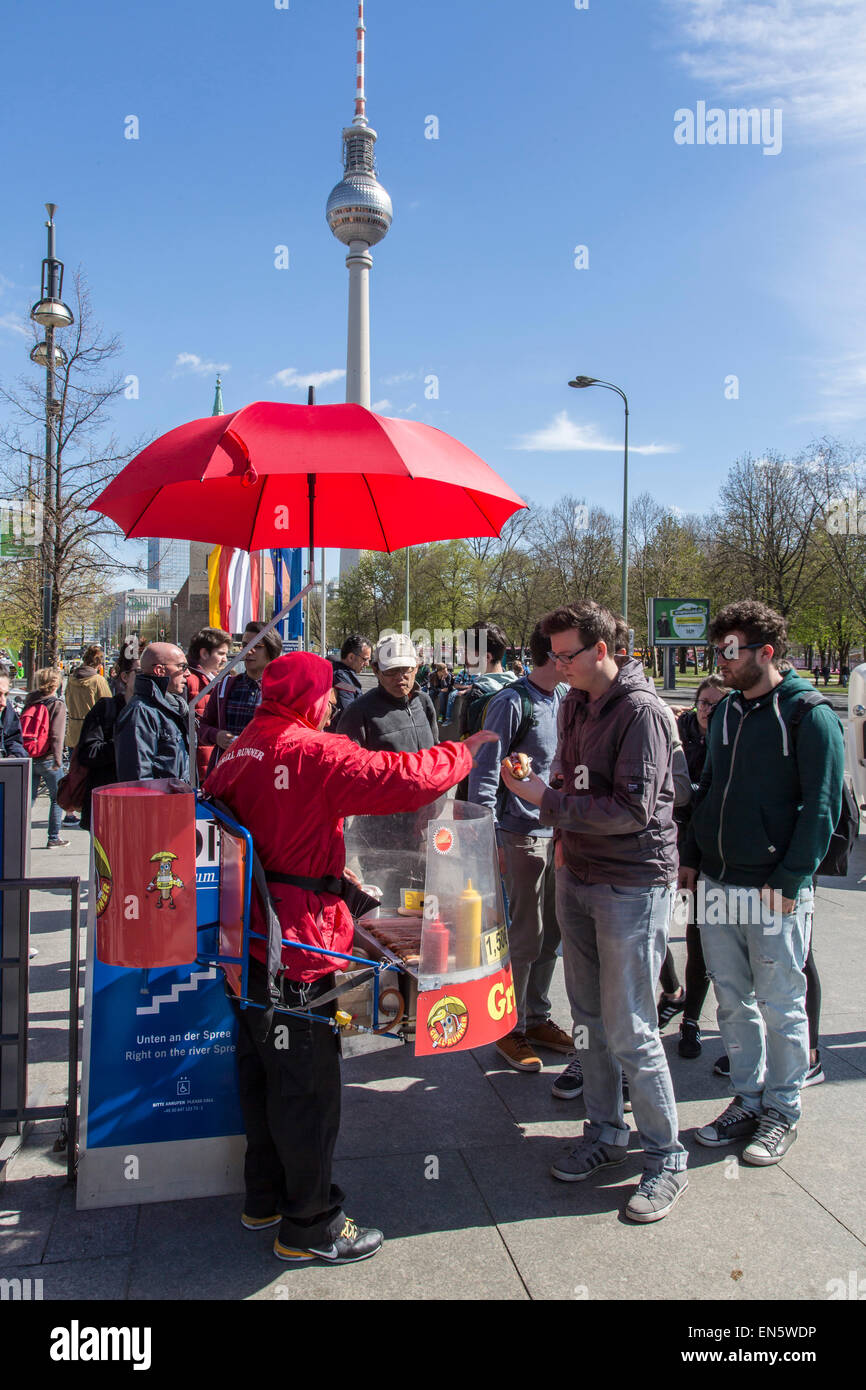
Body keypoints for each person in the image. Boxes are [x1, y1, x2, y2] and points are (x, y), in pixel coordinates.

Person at [204, 651, 496, 1264]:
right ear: (309, 697)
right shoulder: (312, 751)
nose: (335, 702)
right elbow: (404, 778)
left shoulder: (243, 746)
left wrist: (349, 893)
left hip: (248, 939)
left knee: (261, 1072)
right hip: (300, 947)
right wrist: (466, 749)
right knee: (308, 1091)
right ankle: (309, 1224)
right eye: (328, 693)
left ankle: (264, 1197)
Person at [501, 600, 687, 1223]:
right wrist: (543, 783)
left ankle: (665, 1157)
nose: (556, 665)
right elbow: (571, 780)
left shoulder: (642, 713)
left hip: (630, 885)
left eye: (567, 654)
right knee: (588, 1018)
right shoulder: (574, 701)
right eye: (552, 655)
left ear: (601, 649)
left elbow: (630, 811)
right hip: (576, 873)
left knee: (631, 1024)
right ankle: (605, 1133)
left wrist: (544, 801)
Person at [680, 601, 844, 1165]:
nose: (719, 661)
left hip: (774, 889)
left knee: (782, 1005)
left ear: (766, 652)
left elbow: (821, 809)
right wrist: (694, 858)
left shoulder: (810, 714)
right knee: (732, 1003)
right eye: (716, 650)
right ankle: (746, 1100)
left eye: (729, 651)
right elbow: (710, 788)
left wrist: (791, 879)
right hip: (720, 883)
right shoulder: (725, 713)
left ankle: (783, 1109)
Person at [468, 621, 572, 1075]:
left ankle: (537, 1016)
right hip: (520, 836)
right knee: (523, 939)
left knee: (552, 935)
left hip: (560, 837)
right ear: (553, 655)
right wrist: (486, 835)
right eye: (569, 653)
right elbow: (485, 771)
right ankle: (507, 1027)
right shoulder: (512, 702)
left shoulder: (566, 700)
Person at [657, 674, 729, 1056]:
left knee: (702, 936)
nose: (708, 710)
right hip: (678, 845)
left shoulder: (730, 735)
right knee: (661, 930)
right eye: (703, 702)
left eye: (716, 704)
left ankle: (692, 1020)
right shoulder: (678, 727)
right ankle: (675, 997)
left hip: (709, 848)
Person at [197, 622, 281, 772]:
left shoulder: (282, 690)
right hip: (226, 772)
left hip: (264, 773)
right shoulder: (225, 686)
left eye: (257, 646)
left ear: (271, 649)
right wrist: (217, 736)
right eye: (245, 645)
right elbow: (201, 727)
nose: (248, 651)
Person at [337, 634, 438, 753]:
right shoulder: (357, 712)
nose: (400, 677)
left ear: (416, 668)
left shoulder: (423, 702)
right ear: (376, 670)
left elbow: (435, 752)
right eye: (391, 670)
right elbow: (347, 765)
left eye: (406, 668)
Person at [77, 649, 141, 830]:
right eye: (140, 673)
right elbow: (88, 753)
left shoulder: (163, 712)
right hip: (107, 809)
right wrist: (126, 743)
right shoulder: (107, 708)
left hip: (144, 809)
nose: (147, 678)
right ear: (125, 677)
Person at [114, 642, 190, 782]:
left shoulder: (166, 707)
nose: (187, 673)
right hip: (160, 801)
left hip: (175, 800)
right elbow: (137, 778)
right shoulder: (141, 712)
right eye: (182, 667)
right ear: (160, 670)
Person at [23, 668, 68, 848]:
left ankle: (17, 832)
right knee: (57, 798)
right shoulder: (57, 704)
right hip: (48, 758)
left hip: (30, 755)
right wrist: (58, 760)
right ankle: (53, 837)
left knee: (28, 799)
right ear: (56, 683)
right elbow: (57, 735)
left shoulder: (30, 700)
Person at [184, 626, 231, 781]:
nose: (225, 659)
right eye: (221, 653)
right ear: (204, 653)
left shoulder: (217, 681)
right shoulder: (189, 681)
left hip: (211, 763)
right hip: (197, 767)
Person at [327, 634, 372, 732]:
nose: (367, 664)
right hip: (339, 736)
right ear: (351, 657)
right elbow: (349, 713)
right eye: (365, 659)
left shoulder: (338, 672)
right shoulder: (341, 678)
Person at [0, 671, 26, 759]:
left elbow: (12, 739)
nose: (3, 703)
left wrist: (15, 755)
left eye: (6, 694)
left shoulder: (6, 709)